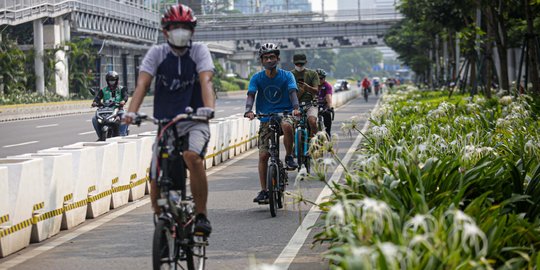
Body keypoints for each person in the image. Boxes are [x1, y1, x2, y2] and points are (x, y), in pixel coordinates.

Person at [123, 4, 215, 237]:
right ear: (165, 31)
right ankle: (162, 221)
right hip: (166, 123)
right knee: (155, 175)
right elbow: (142, 84)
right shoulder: (157, 54)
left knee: (192, 157)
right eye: (175, 27)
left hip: (195, 119)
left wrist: (208, 109)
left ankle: (201, 215)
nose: (180, 31)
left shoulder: (199, 51)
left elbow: (206, 81)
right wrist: (130, 113)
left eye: (185, 27)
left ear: (192, 31)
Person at [244, 43, 300, 204]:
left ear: (278, 58)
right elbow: (251, 95)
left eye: (272, 57)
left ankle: (289, 156)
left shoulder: (287, 76)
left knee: (287, 125)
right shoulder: (257, 78)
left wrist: (295, 108)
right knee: (263, 155)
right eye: (266, 57)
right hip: (265, 117)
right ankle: (264, 191)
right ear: (261, 61)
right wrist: (248, 110)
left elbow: (292, 93)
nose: (269, 60)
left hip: (285, 113)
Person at [91, 70, 129, 139]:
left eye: (113, 80)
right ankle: (100, 136)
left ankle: (123, 135)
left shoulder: (122, 89)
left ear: (116, 80)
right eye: (110, 80)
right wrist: (95, 102)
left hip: (118, 109)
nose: (112, 82)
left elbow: (125, 96)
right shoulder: (103, 90)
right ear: (107, 81)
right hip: (105, 110)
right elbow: (97, 98)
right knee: (94, 119)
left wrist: (123, 101)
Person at [290, 53, 320, 137]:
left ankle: (313, 145)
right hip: (295, 106)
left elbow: (316, 90)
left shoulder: (312, 74)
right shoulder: (289, 75)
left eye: (301, 63)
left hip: (310, 104)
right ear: (294, 62)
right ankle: (294, 145)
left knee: (312, 122)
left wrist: (307, 88)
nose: (299, 65)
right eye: (297, 63)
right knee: (290, 125)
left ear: (306, 62)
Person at [316, 68, 333, 135]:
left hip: (323, 105)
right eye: (318, 78)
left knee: (327, 115)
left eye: (322, 78)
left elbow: (328, 96)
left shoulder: (327, 86)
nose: (320, 80)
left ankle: (328, 135)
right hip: (313, 105)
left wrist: (330, 106)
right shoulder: (312, 85)